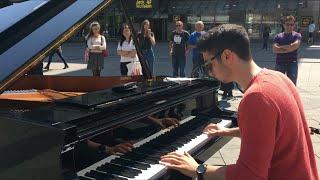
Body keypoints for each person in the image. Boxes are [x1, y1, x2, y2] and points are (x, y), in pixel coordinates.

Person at [160, 24, 318, 180]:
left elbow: (249, 175)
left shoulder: (256, 97)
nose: (209, 72)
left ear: (227, 56)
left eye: (209, 64)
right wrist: (226, 131)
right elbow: (267, 133)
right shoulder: (278, 77)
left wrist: (197, 169)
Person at [272, 15, 301, 86]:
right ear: (284, 25)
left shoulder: (297, 35)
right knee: (279, 85)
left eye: (292, 24)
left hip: (292, 63)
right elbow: (274, 49)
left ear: (294, 25)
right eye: (287, 24)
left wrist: (280, 48)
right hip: (280, 63)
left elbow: (295, 46)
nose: (290, 26)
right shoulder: (278, 36)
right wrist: (290, 47)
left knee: (292, 85)